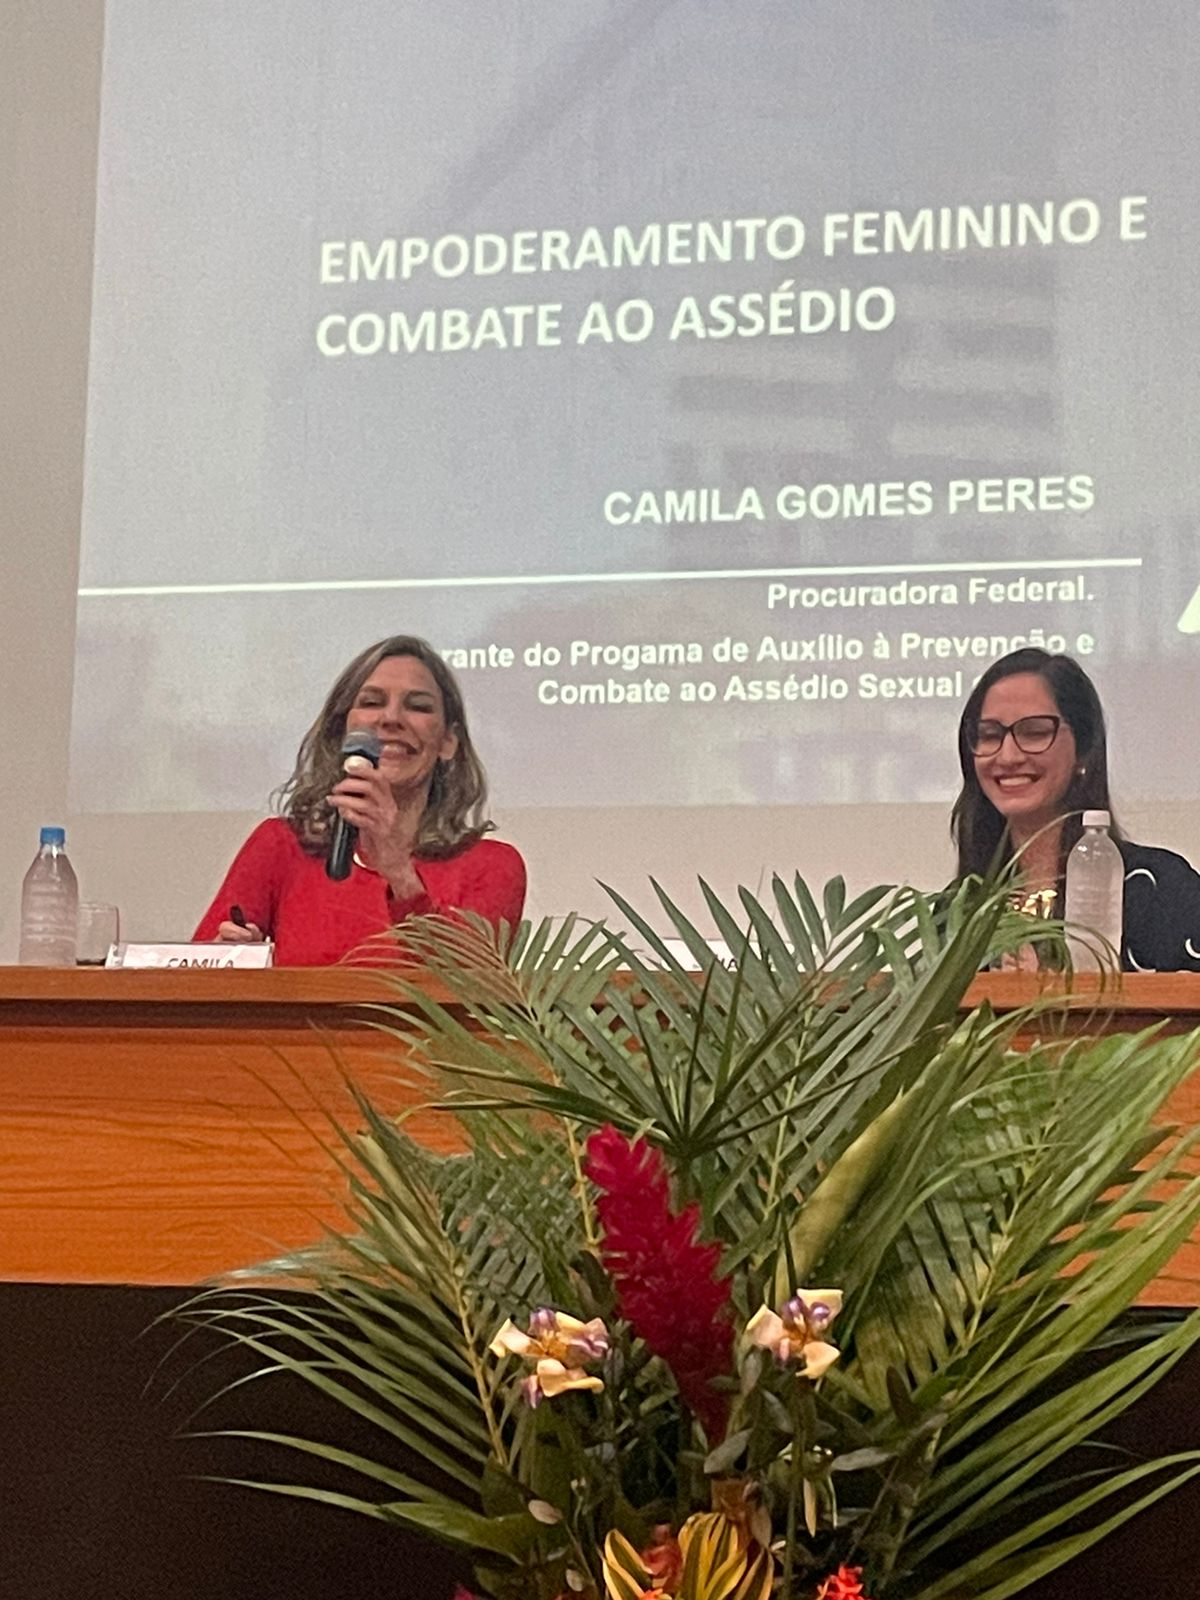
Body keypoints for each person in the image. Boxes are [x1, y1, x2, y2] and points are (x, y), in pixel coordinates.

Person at [194, 635, 526, 965]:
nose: (391, 719)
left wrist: (399, 871)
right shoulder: (280, 846)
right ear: (341, 731)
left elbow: (466, 982)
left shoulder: (491, 866)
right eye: (371, 702)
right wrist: (232, 958)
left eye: (418, 706)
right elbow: (191, 972)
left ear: (448, 742)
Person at [951, 647, 1200, 972]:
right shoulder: (957, 911)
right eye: (989, 735)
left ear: (1083, 749)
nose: (1008, 756)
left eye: (1035, 732)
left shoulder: (1158, 890)